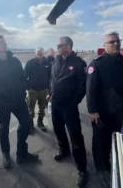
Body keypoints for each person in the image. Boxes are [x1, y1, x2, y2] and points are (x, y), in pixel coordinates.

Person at [0, 35, 39, 169]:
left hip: (18, 100)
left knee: (25, 124)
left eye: (5, 42)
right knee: (4, 128)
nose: (4, 44)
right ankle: (6, 154)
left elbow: (22, 77)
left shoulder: (15, 61)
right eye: (1, 42)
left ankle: (22, 154)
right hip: (3, 103)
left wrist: (23, 89)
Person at [86, 31, 123, 187]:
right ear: (104, 45)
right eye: (111, 42)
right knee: (100, 142)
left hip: (119, 111)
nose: (116, 44)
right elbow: (91, 89)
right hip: (101, 113)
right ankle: (101, 169)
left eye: (117, 41)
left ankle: (109, 162)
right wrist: (92, 110)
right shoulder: (97, 64)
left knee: (113, 139)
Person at [47, 36, 88, 187]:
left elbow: (83, 86)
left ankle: (82, 169)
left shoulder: (79, 63)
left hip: (69, 106)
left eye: (60, 45)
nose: (57, 47)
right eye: (57, 45)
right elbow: (52, 79)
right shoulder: (56, 61)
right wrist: (50, 92)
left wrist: (74, 102)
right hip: (56, 103)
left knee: (75, 136)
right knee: (58, 130)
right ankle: (64, 151)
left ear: (69, 46)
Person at [24, 47, 51, 133]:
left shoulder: (47, 63)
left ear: (44, 54)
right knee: (30, 108)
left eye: (41, 54)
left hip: (44, 90)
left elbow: (50, 77)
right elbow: (24, 77)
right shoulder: (30, 63)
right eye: (38, 54)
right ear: (35, 54)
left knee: (42, 108)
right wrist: (28, 87)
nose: (39, 56)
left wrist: (48, 88)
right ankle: (30, 125)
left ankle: (40, 122)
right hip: (33, 90)